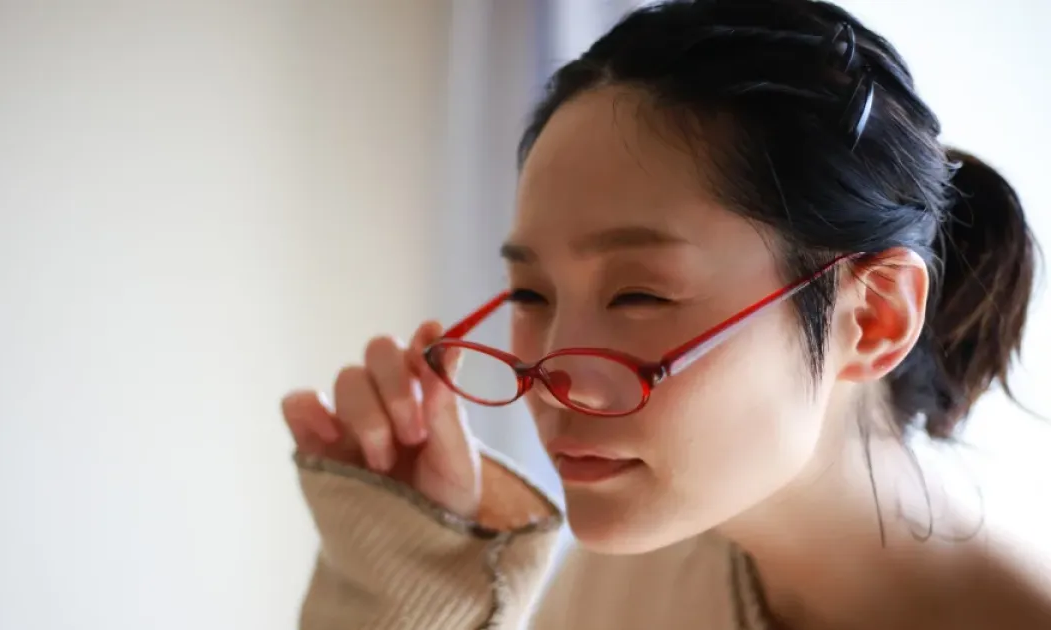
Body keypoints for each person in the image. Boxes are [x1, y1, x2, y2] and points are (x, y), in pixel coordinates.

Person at [281, 1, 1047, 628]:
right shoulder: (621, 589)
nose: (553, 381)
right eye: (530, 295)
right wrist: (412, 579)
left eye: (639, 295)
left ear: (874, 317)